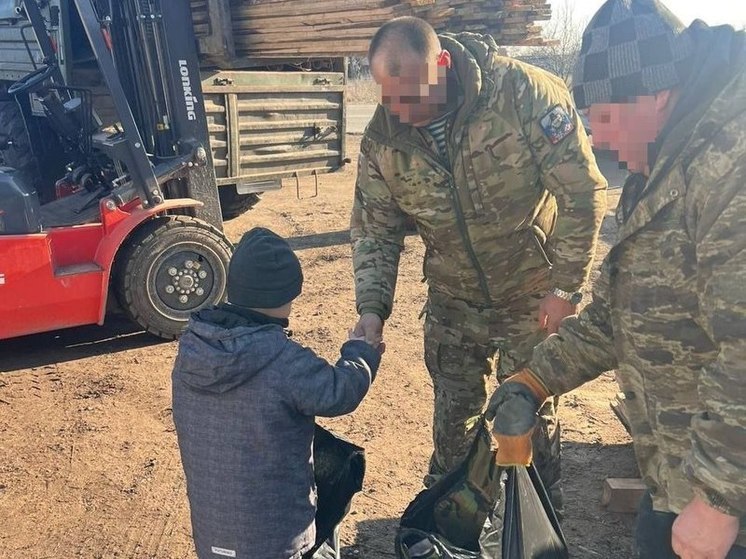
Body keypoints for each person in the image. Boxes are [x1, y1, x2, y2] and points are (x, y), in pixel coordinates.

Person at [487, 1, 746, 557]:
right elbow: (615, 313)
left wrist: (720, 502)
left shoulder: (730, 161)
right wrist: (535, 381)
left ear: (653, 93)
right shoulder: (659, 162)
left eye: (603, 118)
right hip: (676, 473)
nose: (597, 140)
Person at [350, 16, 608, 504]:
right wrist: (371, 308)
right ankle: (454, 520)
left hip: (532, 294)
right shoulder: (384, 141)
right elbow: (374, 230)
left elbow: (582, 193)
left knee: (527, 412)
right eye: (390, 98)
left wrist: (566, 288)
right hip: (453, 299)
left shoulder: (522, 94)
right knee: (453, 422)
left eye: (412, 96)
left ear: (442, 64)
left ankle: (535, 518)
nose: (402, 112)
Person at [172, 227, 382, 559]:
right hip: (276, 536)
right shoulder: (282, 359)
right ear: (287, 296)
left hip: (213, 534)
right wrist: (361, 352)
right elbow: (340, 392)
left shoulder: (193, 350)